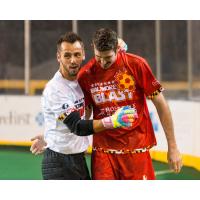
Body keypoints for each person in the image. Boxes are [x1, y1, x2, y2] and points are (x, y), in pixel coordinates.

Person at [77, 28, 182, 180]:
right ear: (93, 47)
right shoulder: (86, 75)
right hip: (103, 153)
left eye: (108, 58)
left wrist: (172, 147)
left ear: (117, 49)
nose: (103, 63)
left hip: (136, 149)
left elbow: (161, 104)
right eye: (98, 57)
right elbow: (83, 115)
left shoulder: (136, 64)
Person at [30, 31, 136, 180]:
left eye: (77, 55)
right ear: (58, 57)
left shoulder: (83, 79)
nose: (73, 60)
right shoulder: (55, 89)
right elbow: (77, 126)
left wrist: (115, 44)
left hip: (77, 159)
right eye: (67, 55)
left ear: (84, 55)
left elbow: (103, 60)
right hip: (59, 162)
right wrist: (113, 121)